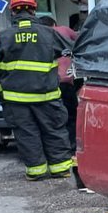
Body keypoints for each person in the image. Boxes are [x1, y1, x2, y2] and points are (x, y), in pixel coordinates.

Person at [0, 0, 74, 180]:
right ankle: (60, 168)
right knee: (54, 130)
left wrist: (1, 95)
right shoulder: (48, 33)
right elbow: (71, 50)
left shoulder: (4, 36)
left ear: (13, 12)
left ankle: (36, 172)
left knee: (27, 134)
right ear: (34, 10)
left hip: (15, 100)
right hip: (47, 97)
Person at [37, 12, 80, 152]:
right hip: (66, 82)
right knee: (71, 116)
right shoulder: (64, 30)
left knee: (51, 118)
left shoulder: (38, 37)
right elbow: (80, 40)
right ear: (54, 24)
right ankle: (72, 146)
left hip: (47, 85)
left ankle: (54, 147)